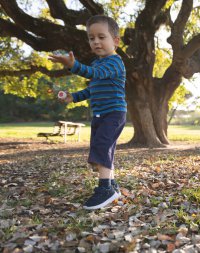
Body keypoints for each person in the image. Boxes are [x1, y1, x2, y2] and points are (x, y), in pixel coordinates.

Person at [48, 15, 127, 210]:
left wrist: (73, 65)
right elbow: (92, 89)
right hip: (99, 114)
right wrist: (72, 97)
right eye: (92, 38)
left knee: (101, 147)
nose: (96, 42)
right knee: (103, 149)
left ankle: (104, 189)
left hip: (114, 113)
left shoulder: (115, 62)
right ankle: (112, 186)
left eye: (102, 36)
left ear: (115, 41)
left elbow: (96, 75)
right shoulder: (96, 63)